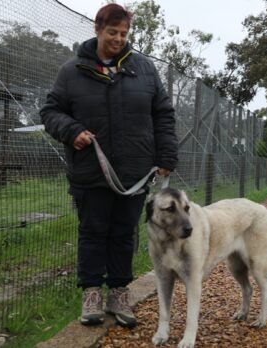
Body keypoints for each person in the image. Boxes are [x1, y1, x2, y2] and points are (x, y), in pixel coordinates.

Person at [40, 3, 178, 327]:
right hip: (91, 170)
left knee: (123, 233)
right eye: (112, 32)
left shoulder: (143, 69)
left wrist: (166, 156)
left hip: (134, 170)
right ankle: (91, 295)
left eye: (124, 33)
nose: (118, 39)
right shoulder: (71, 71)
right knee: (92, 231)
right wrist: (71, 131)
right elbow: (50, 112)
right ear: (97, 29)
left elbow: (163, 113)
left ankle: (119, 292)